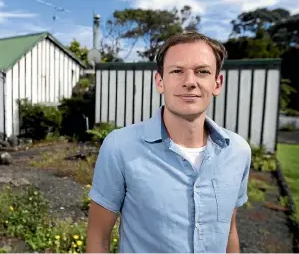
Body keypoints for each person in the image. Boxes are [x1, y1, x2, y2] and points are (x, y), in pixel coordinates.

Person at [86, 31, 251, 253]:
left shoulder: (238, 152)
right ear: (160, 81)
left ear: (217, 83)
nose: (190, 82)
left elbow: (229, 231)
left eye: (202, 72)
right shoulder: (120, 147)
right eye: (177, 71)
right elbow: (98, 237)